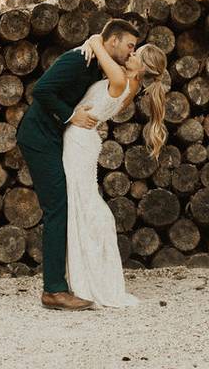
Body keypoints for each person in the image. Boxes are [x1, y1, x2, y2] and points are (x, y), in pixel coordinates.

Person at [15, 19, 140, 311]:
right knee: (57, 206)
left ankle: (70, 279)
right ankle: (54, 290)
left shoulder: (98, 63)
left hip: (57, 139)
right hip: (38, 138)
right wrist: (70, 116)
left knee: (64, 205)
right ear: (113, 41)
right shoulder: (77, 60)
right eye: (129, 45)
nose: (131, 51)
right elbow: (42, 90)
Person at [64, 32, 168, 307]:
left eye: (136, 54)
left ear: (142, 69)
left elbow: (100, 44)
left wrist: (93, 41)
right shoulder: (128, 81)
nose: (129, 54)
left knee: (86, 206)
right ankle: (82, 273)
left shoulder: (122, 81)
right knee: (84, 205)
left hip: (79, 142)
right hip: (82, 140)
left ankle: (90, 279)